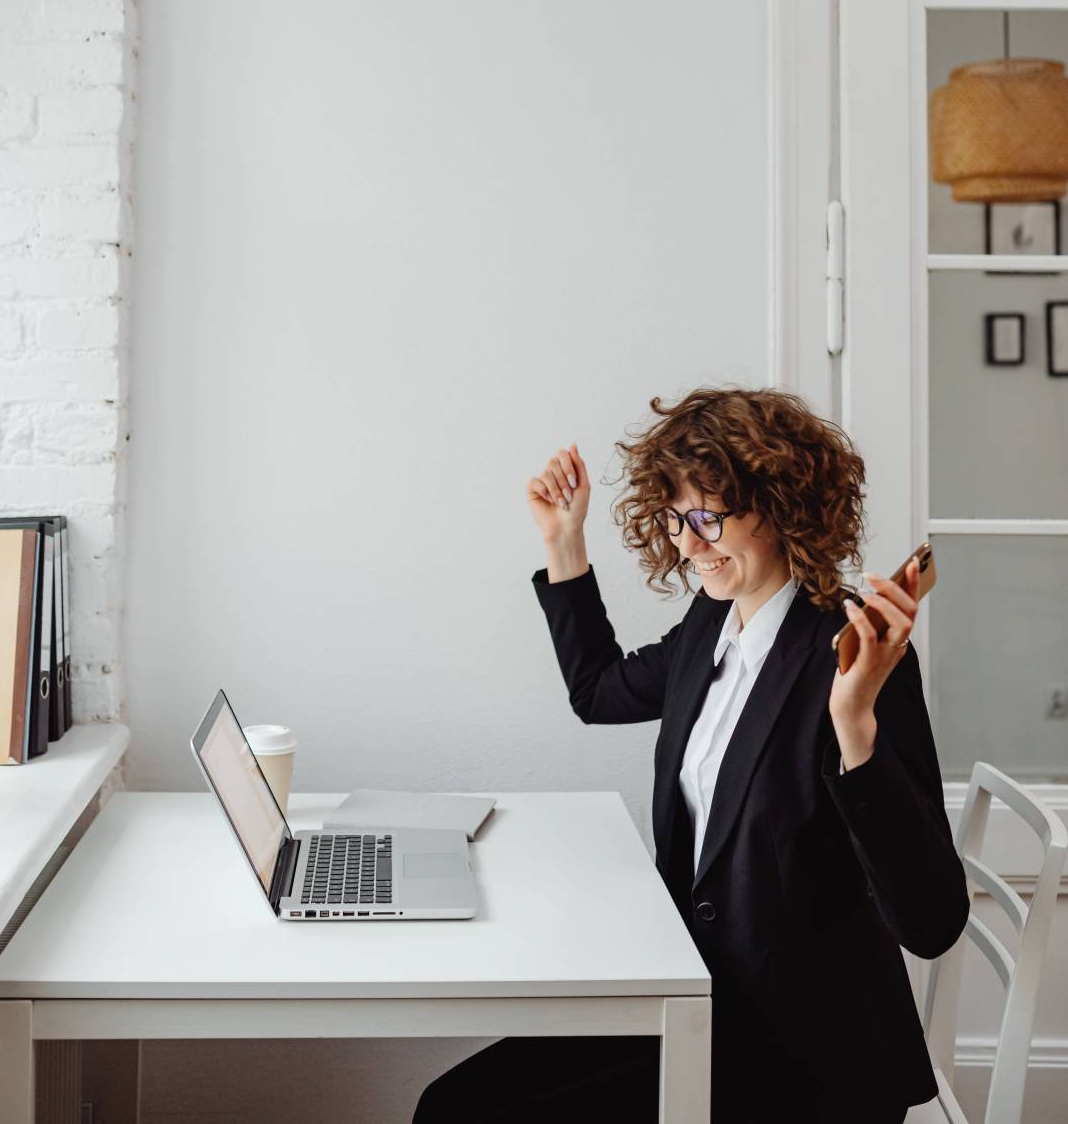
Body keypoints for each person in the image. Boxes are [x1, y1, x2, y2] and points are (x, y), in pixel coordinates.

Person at [413, 386, 969, 1124]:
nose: (685, 543)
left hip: (798, 1052)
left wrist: (853, 722)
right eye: (675, 519)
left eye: (706, 517)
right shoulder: (712, 623)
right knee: (453, 1103)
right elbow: (597, 692)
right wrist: (563, 541)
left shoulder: (853, 658)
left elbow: (930, 921)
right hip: (697, 996)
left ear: (780, 505)